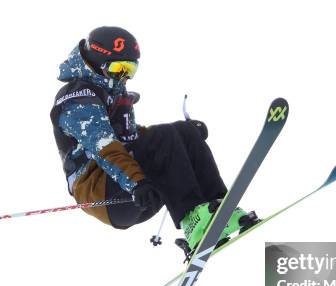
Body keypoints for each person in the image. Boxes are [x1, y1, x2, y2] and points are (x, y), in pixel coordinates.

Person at [50, 26, 257, 251]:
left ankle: (218, 209)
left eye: (129, 69)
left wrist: (186, 137)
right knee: (165, 137)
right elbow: (105, 147)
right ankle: (194, 223)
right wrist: (136, 182)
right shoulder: (76, 98)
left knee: (180, 131)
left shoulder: (115, 93)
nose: (123, 76)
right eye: (118, 68)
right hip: (106, 194)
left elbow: (132, 138)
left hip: (137, 188)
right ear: (97, 61)